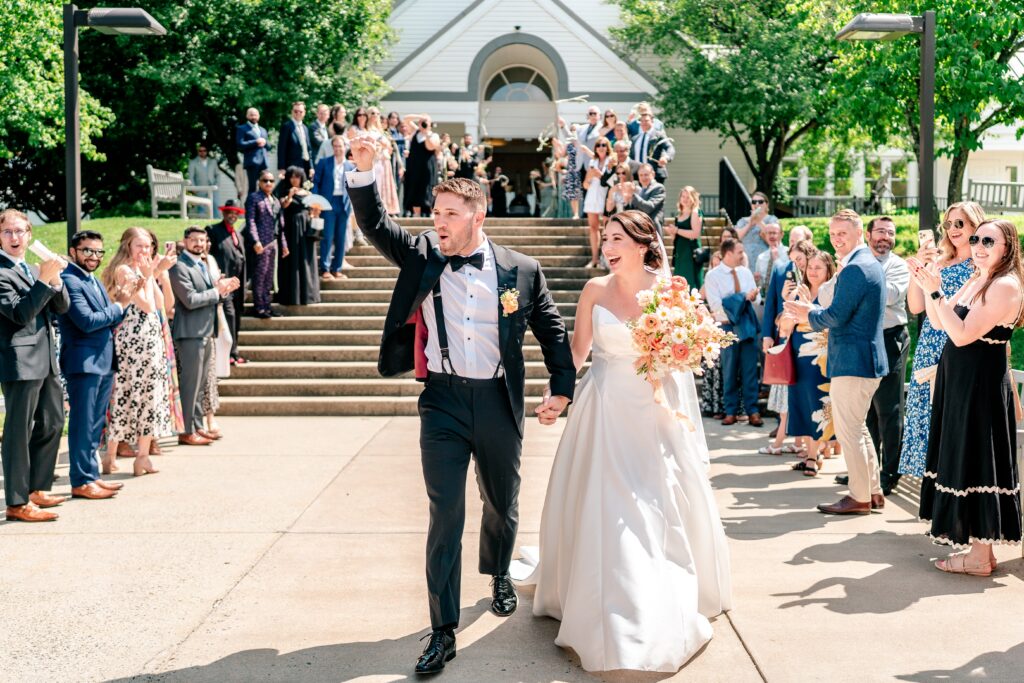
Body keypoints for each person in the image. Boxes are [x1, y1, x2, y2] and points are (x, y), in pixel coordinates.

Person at [346, 134, 576, 675]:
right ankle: (443, 630)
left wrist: (561, 386)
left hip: (499, 398)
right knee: (444, 512)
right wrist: (363, 171)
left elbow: (552, 330)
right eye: (435, 212)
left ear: (479, 216)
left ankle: (498, 570)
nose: (439, 221)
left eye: (450, 213)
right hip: (443, 403)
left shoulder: (522, 269)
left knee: (502, 499)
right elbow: (378, 226)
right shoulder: (424, 253)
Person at [527, 210, 731, 672]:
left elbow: (690, 349)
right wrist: (555, 394)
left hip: (653, 414)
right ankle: (610, 604)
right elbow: (577, 353)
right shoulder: (594, 290)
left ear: (643, 244)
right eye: (607, 240)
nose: (609, 247)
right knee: (611, 507)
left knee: (655, 504)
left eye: (618, 239)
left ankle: (659, 593)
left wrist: (680, 347)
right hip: (603, 412)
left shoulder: (669, 289)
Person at [909, 219, 1023, 575]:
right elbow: (940, 321)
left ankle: (977, 558)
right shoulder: (979, 279)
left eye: (989, 240)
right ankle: (981, 555)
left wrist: (938, 293)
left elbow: (960, 335)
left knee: (979, 461)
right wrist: (932, 285)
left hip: (981, 386)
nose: (979, 245)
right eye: (976, 239)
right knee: (968, 459)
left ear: (1007, 248)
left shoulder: (1005, 285)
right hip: (960, 383)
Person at [785, 209, 888, 515]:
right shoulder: (863, 263)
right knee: (859, 429)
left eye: (842, 233)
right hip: (863, 360)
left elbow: (836, 316)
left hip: (854, 363)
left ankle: (858, 498)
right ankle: (873, 490)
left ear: (860, 233)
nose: (836, 239)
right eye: (832, 234)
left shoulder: (857, 267)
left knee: (850, 432)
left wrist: (807, 314)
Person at [899, 202, 982, 479]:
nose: (953, 229)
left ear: (975, 224)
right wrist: (921, 267)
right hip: (929, 344)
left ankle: (952, 487)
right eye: (948, 224)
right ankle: (933, 488)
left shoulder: (979, 266)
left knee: (951, 416)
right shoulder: (940, 261)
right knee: (926, 412)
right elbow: (914, 307)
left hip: (958, 342)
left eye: (960, 223)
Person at [0, 210, 70, 521]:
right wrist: (43, 279)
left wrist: (54, 278)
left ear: (30, 234)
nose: (14, 238)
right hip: (19, 360)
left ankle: (36, 488)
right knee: (18, 430)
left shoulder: (31, 268)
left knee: (53, 422)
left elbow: (61, 306)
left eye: (19, 232)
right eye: (7, 232)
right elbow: (20, 314)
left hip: (46, 357)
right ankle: (16, 502)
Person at [57, 230, 126, 500]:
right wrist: (119, 306)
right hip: (83, 362)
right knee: (82, 424)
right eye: (87, 251)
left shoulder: (93, 280)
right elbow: (86, 321)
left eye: (98, 252)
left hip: (104, 360)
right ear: (74, 251)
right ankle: (80, 480)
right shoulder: (69, 280)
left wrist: (123, 302)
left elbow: (109, 318)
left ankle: (92, 475)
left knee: (96, 424)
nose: (94, 257)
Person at [102, 228, 176, 474]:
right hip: (134, 342)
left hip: (150, 339)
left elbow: (161, 306)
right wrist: (147, 275)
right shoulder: (124, 270)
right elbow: (146, 306)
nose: (145, 251)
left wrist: (153, 274)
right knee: (127, 395)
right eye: (139, 246)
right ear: (127, 247)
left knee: (148, 396)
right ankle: (113, 455)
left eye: (148, 246)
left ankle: (140, 456)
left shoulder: (140, 271)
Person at [169, 227, 239, 446]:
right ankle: (187, 431)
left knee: (200, 385)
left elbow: (209, 296)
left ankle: (198, 425)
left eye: (203, 240)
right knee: (190, 384)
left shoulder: (202, 264)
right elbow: (190, 300)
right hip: (190, 333)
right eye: (194, 240)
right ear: (185, 241)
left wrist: (223, 290)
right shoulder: (179, 266)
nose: (199, 244)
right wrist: (217, 291)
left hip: (206, 330)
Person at [863, 217, 909, 496]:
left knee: (889, 409)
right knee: (865, 408)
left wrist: (862, 283)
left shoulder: (899, 266)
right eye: (880, 231)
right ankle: (867, 470)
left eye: (890, 233)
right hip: (863, 339)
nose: (885, 237)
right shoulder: (857, 261)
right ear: (868, 235)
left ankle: (889, 473)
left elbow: (890, 295)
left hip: (890, 338)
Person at [760, 239, 817, 456]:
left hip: (812, 342)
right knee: (790, 394)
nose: (796, 264)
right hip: (787, 337)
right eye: (793, 259)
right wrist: (768, 334)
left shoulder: (817, 276)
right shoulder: (783, 271)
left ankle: (812, 449)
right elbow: (772, 305)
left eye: (799, 259)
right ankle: (800, 444)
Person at [782, 248, 837, 473]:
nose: (812, 272)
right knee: (803, 405)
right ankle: (810, 452)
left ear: (828, 270)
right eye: (810, 267)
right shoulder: (798, 292)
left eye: (818, 268)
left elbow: (832, 322)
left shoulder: (832, 293)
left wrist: (809, 309)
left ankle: (813, 456)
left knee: (818, 403)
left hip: (821, 357)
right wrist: (787, 302)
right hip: (799, 357)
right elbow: (784, 328)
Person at [705, 238, 763, 427]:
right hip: (727, 327)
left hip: (746, 325)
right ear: (728, 253)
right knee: (729, 369)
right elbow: (716, 306)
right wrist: (741, 300)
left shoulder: (745, 272)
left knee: (749, 370)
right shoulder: (713, 276)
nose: (743, 255)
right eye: (739, 252)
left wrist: (750, 297)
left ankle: (752, 411)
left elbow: (756, 298)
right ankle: (730, 411)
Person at [206, 200, 247, 364]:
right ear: (223, 213)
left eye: (236, 213)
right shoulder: (213, 231)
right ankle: (228, 353)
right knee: (229, 316)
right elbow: (206, 253)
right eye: (229, 212)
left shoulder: (238, 234)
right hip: (224, 284)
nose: (232, 215)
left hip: (238, 284)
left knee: (236, 316)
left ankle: (234, 352)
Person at [275, 166, 321, 305]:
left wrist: (314, 214)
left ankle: (308, 294)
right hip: (291, 228)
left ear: (302, 178)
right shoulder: (284, 191)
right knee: (293, 259)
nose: (294, 179)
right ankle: (291, 295)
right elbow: (283, 206)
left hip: (306, 227)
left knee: (307, 258)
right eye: (292, 176)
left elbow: (312, 210)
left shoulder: (308, 193)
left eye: (297, 176)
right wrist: (290, 194)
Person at [313, 136, 355, 280]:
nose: (338, 148)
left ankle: (337, 269)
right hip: (327, 203)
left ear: (345, 147)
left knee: (341, 238)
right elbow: (316, 183)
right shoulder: (324, 163)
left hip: (343, 205)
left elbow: (354, 187)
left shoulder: (351, 166)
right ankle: (325, 269)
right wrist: (316, 203)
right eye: (335, 146)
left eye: (340, 146)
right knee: (327, 237)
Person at [246, 170, 285, 318]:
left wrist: (284, 244)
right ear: (259, 182)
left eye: (271, 181)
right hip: (260, 244)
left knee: (269, 277)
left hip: (273, 243)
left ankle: (267, 306)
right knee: (260, 275)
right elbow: (250, 221)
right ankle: (259, 307)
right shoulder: (254, 198)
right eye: (265, 180)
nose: (268, 183)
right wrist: (255, 240)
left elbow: (280, 225)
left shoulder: (275, 200)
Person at [579, 135, 613, 268]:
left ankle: (606, 259)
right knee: (593, 228)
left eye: (604, 145)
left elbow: (608, 180)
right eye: (598, 145)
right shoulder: (592, 161)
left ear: (607, 147)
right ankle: (594, 259)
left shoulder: (611, 160)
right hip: (592, 195)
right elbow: (586, 185)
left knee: (607, 229)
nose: (601, 147)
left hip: (606, 196)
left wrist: (598, 174)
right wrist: (589, 176)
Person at [401, 113, 440, 217]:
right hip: (414, 167)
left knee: (426, 188)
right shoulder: (415, 132)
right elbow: (405, 119)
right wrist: (420, 117)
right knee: (414, 188)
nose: (423, 123)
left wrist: (426, 132)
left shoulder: (433, 135)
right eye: (422, 122)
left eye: (426, 122)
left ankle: (428, 212)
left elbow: (430, 146)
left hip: (427, 167)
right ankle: (415, 213)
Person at [665, 186, 704, 288]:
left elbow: (695, 234)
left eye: (688, 197)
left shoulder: (695, 212)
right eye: (683, 196)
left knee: (690, 280)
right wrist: (672, 233)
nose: (685, 199)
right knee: (679, 279)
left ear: (693, 198)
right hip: (680, 252)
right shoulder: (679, 215)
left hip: (691, 252)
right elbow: (677, 238)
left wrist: (677, 230)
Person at [366, 107, 401, 215]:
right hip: (374, 160)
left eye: (377, 113)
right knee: (375, 186)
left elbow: (389, 147)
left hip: (384, 161)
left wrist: (386, 147)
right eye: (372, 113)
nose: (375, 115)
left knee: (384, 187)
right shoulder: (366, 129)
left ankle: (385, 210)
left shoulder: (380, 130)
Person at [236, 107, 273, 199]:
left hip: (264, 162)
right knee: (253, 187)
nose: (253, 117)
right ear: (247, 116)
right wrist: (256, 141)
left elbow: (268, 146)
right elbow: (240, 144)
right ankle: (251, 209)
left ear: (259, 116)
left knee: (265, 187)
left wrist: (265, 142)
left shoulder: (263, 129)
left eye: (255, 115)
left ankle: (263, 208)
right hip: (252, 162)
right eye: (251, 115)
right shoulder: (242, 128)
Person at [735, 192, 779, 267]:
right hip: (744, 261)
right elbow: (736, 238)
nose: (757, 204)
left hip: (765, 262)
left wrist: (759, 222)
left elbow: (774, 239)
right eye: (754, 202)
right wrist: (749, 224)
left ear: (767, 204)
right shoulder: (743, 221)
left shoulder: (772, 220)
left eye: (760, 202)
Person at [629, 112, 674, 185]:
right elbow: (631, 157)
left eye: (646, 121)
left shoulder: (658, 135)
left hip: (654, 174)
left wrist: (666, 158)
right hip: (638, 176)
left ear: (652, 121)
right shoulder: (635, 139)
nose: (643, 123)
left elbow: (670, 148)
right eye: (641, 121)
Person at [622, 163, 665, 234]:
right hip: (639, 230)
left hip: (652, 230)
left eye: (646, 175)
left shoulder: (658, 187)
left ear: (653, 174)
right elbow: (631, 212)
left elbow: (649, 208)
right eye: (641, 175)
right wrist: (627, 201)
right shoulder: (639, 190)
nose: (643, 178)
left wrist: (632, 195)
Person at [278, 101, 313, 178]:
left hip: (305, 165)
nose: (298, 113)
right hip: (292, 166)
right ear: (292, 112)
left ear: (304, 113)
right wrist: (281, 168)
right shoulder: (286, 127)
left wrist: (311, 167)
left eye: (300, 111)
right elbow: (281, 149)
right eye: (295, 111)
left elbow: (309, 149)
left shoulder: (305, 128)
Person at [187, 143, 219, 218]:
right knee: (201, 207)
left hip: (212, 188)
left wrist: (217, 184)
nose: (202, 152)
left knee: (215, 205)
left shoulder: (213, 162)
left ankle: (217, 221)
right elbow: (191, 177)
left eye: (204, 150)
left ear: (206, 151)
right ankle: (202, 221)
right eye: (200, 151)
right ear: (198, 152)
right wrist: (194, 188)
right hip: (200, 188)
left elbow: (217, 174)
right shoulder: (193, 162)